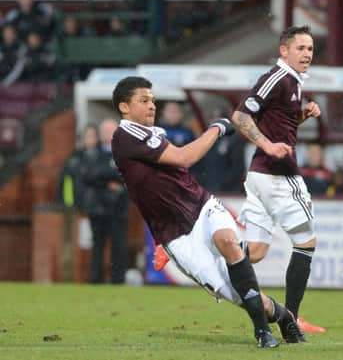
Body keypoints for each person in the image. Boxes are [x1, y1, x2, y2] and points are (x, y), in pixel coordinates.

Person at [110, 76, 302, 347]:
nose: (152, 105)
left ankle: (262, 332)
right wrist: (217, 128)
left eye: (152, 100)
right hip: (177, 235)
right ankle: (282, 316)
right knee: (238, 294)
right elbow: (183, 158)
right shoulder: (126, 137)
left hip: (200, 206)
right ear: (124, 107)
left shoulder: (153, 133)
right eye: (144, 100)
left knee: (228, 242)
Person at [232, 25, 324, 337]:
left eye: (310, 49)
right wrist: (269, 146)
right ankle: (291, 320)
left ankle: (201, 250)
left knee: (255, 250)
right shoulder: (277, 77)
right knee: (306, 242)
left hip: (260, 175)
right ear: (284, 50)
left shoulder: (293, 83)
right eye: (301, 48)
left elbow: (277, 123)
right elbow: (241, 116)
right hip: (278, 174)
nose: (307, 54)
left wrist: (302, 116)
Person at [79, 118, 129, 284]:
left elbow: (129, 176)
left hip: (119, 208)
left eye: (110, 131)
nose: (107, 134)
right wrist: (108, 181)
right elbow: (88, 176)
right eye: (105, 131)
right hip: (99, 207)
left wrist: (105, 176)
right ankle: (95, 279)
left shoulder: (125, 152)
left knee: (119, 246)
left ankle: (118, 280)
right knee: (98, 246)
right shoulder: (92, 153)